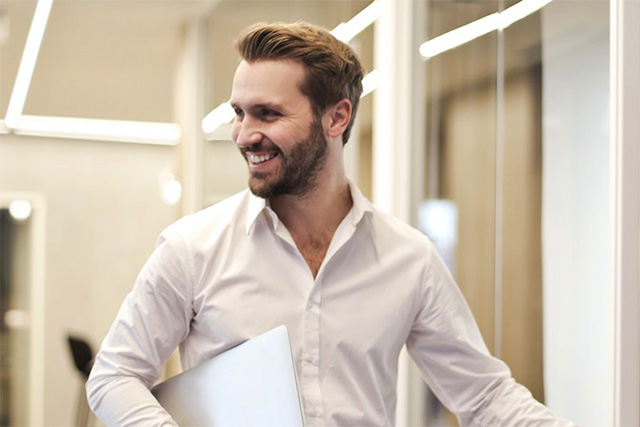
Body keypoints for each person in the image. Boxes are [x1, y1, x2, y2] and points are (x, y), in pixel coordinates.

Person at [86, 21, 574, 426]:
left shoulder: (408, 258)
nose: (243, 134)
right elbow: (113, 375)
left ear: (336, 117)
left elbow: (485, 398)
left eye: (268, 114)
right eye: (239, 113)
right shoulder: (192, 247)